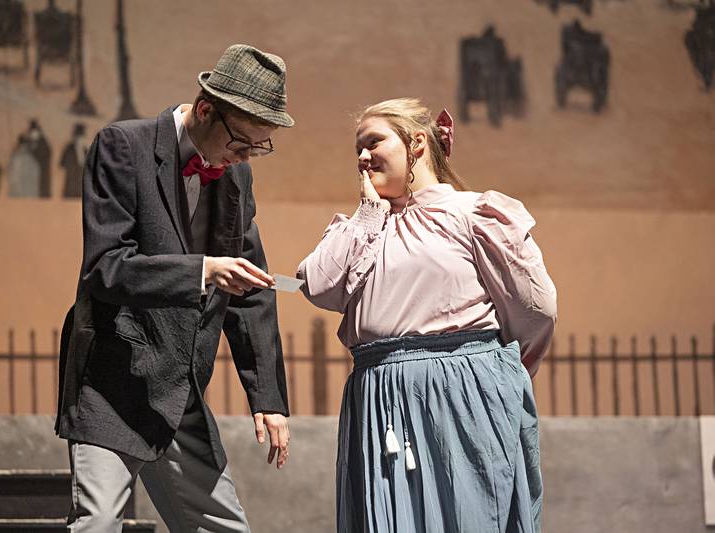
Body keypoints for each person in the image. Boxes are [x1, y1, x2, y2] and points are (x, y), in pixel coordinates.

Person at [55, 44, 293, 532]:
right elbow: (106, 268)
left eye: (259, 147)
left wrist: (267, 396)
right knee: (97, 524)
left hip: (179, 391)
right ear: (206, 109)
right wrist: (201, 271)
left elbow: (251, 290)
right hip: (115, 381)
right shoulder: (123, 146)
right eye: (243, 143)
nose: (247, 158)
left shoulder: (236, 177)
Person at [297, 97, 557, 532]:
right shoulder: (359, 227)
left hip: (462, 387)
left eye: (373, 142)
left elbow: (535, 308)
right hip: (377, 392)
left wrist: (499, 375)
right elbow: (319, 285)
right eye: (357, 149)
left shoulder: (471, 213)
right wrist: (368, 214)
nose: (361, 157)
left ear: (416, 143)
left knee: (468, 515)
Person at [60, 122, 87, 198]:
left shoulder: (85, 148)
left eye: (80, 136)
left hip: (80, 174)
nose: (78, 138)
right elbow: (62, 162)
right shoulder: (69, 147)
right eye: (77, 136)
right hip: (71, 173)